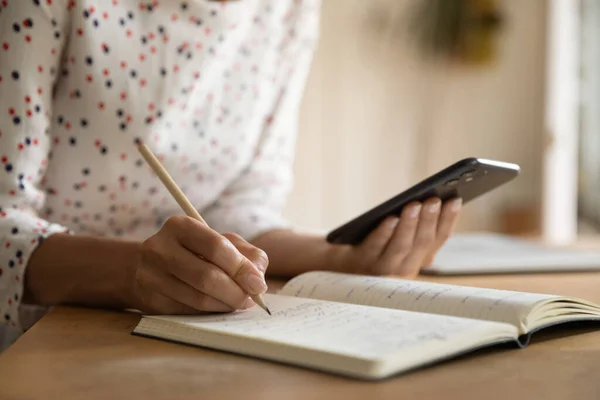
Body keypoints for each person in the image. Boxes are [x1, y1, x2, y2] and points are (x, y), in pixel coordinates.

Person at [0, 0, 462, 349]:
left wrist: (342, 260)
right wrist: (135, 273)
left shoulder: (288, 9)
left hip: (185, 340)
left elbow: (241, 206)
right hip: (40, 345)